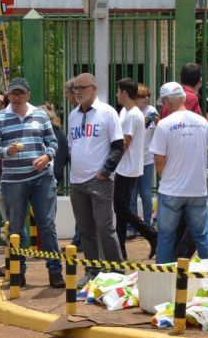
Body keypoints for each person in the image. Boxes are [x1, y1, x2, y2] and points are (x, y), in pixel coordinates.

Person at [0, 77, 64, 288]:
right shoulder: (0, 118)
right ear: (8, 95)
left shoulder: (40, 114)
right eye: (13, 93)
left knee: (47, 225)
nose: (17, 97)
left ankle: (55, 271)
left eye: (21, 93)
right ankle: (18, 272)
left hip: (42, 178)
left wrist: (47, 156)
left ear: (28, 95)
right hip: (13, 181)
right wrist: (6, 151)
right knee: (16, 228)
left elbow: (53, 142)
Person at [68, 73, 124, 287]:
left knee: (104, 227)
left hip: (99, 180)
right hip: (77, 181)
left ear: (94, 88)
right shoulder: (73, 115)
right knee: (85, 229)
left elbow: (118, 146)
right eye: (75, 88)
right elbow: (72, 146)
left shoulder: (107, 112)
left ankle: (117, 272)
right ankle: (92, 271)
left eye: (82, 88)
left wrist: (105, 172)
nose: (78, 92)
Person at [151, 82, 208, 264]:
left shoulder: (164, 125)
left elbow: (159, 159)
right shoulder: (202, 122)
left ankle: (164, 277)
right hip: (197, 189)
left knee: (166, 237)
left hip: (172, 190)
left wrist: (167, 178)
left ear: (166, 101)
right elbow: (207, 151)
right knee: (202, 236)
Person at [113, 77, 159, 260]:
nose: (116, 94)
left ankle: (151, 234)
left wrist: (110, 164)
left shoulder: (132, 114)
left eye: (118, 91)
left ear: (124, 93)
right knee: (121, 208)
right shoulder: (128, 112)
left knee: (121, 207)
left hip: (126, 167)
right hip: (127, 167)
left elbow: (125, 143)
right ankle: (120, 249)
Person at [127, 84, 157, 240]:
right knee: (131, 196)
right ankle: (132, 227)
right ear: (135, 98)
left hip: (147, 159)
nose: (146, 99)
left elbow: (160, 129)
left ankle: (148, 226)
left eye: (147, 97)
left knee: (146, 194)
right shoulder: (130, 112)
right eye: (142, 96)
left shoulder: (152, 110)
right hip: (133, 160)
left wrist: (158, 120)